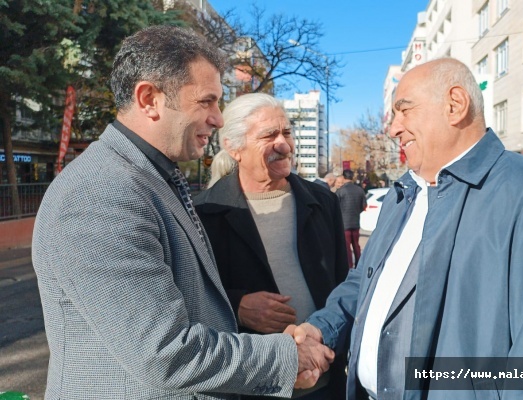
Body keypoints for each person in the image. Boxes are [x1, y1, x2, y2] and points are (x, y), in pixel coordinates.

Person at [31, 26, 333, 400]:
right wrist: (287, 356)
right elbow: (166, 353)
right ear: (149, 99)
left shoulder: (148, 177)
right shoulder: (101, 192)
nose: (219, 119)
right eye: (206, 101)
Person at [286, 58, 523, 399]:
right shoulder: (403, 194)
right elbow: (364, 283)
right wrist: (320, 329)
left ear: (455, 105)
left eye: (404, 110)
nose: (393, 129)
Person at [194, 93, 349, 399]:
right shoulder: (205, 213)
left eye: (287, 133)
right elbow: (192, 296)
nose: (285, 144)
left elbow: (343, 286)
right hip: (252, 386)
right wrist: (238, 306)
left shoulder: (322, 202)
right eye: (269, 135)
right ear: (234, 147)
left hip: (324, 380)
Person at [336, 169, 367, 268]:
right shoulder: (359, 190)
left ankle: (349, 266)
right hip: (355, 221)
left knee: (347, 247)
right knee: (356, 245)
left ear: (343, 177)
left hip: (344, 223)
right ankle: (359, 264)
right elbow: (364, 206)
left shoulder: (340, 191)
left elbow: (335, 207)